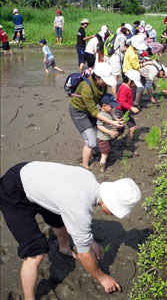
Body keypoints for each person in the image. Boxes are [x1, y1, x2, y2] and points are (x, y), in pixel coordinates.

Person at [0, 161, 141, 299]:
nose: (113, 214)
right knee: (35, 254)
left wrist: (91, 241)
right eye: (115, 211)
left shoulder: (89, 178)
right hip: (14, 191)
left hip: (33, 176)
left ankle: (64, 248)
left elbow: (73, 214)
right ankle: (29, 297)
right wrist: (103, 277)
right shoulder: (79, 207)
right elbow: (84, 253)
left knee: (59, 220)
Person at [69, 63, 124, 169]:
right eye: (105, 80)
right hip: (78, 112)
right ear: (97, 77)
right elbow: (95, 112)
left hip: (89, 110)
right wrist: (113, 122)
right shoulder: (86, 88)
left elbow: (102, 103)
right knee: (91, 141)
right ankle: (85, 166)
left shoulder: (102, 85)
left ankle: (98, 150)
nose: (106, 84)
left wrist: (113, 118)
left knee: (103, 129)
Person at [115, 70, 142, 147]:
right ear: (129, 80)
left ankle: (128, 143)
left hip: (126, 111)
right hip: (120, 111)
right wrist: (131, 108)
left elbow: (127, 100)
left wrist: (133, 103)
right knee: (120, 131)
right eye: (134, 83)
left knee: (133, 127)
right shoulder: (124, 88)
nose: (134, 85)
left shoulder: (129, 88)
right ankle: (109, 140)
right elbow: (122, 102)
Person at [97, 93, 120, 172]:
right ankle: (102, 167)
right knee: (104, 154)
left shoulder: (108, 113)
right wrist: (109, 131)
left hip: (107, 137)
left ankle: (106, 155)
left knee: (107, 149)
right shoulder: (101, 115)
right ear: (104, 106)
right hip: (103, 138)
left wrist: (117, 120)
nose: (113, 107)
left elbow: (112, 119)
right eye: (111, 106)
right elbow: (99, 126)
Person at [108, 23, 133, 94]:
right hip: (115, 57)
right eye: (129, 32)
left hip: (111, 57)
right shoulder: (122, 36)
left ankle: (113, 91)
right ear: (126, 30)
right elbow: (122, 49)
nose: (129, 34)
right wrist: (128, 47)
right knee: (115, 76)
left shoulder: (117, 34)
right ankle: (113, 93)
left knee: (114, 74)